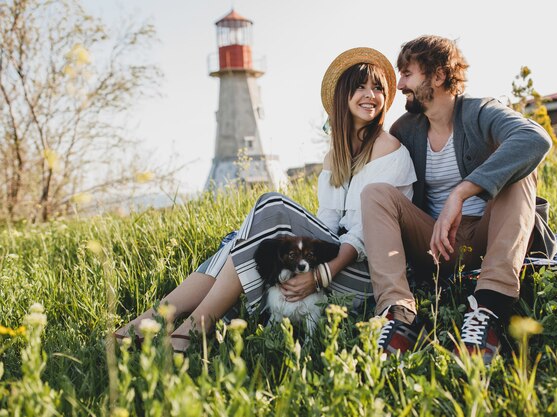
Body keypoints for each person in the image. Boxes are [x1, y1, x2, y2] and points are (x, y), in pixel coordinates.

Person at [114, 47, 417, 353]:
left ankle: (189, 329)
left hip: (362, 277)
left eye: (378, 88)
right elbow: (326, 222)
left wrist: (320, 275)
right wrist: (299, 252)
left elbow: (365, 236)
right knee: (238, 241)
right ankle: (153, 324)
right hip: (329, 260)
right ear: (343, 95)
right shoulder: (334, 156)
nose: (371, 95)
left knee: (271, 206)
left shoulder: (388, 148)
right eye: (360, 87)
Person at [362, 35, 555, 363]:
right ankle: (400, 315)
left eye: (407, 73)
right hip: (435, 246)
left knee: (519, 173)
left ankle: (488, 310)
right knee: (375, 193)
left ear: (437, 76)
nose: (400, 83)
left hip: (489, 237)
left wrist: (462, 192)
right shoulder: (405, 129)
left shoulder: (480, 111)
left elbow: (534, 138)